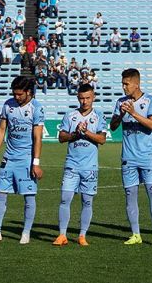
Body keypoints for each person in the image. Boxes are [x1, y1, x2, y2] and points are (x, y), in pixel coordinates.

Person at [0, 76, 45, 245]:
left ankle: (26, 232)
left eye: (19, 94)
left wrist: (36, 163)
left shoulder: (36, 108)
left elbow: (37, 137)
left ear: (28, 92)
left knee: (29, 197)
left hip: (26, 159)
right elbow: (2, 130)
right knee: (0, 193)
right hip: (8, 157)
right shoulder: (8, 105)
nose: (16, 97)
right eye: (14, 94)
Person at [109, 69, 152, 245]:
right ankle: (135, 234)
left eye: (126, 84)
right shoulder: (120, 102)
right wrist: (121, 114)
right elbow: (112, 126)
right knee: (130, 194)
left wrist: (133, 113)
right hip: (128, 157)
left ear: (136, 84)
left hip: (148, 156)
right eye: (122, 83)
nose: (124, 87)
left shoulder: (151, 100)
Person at [52, 84, 107, 247]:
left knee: (87, 201)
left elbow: (102, 139)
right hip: (72, 165)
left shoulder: (99, 116)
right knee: (65, 199)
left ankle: (82, 235)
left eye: (88, 98)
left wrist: (86, 132)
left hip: (90, 167)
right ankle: (62, 235)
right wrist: (75, 133)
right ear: (78, 98)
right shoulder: (70, 115)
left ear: (93, 97)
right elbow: (61, 137)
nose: (85, 101)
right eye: (82, 98)